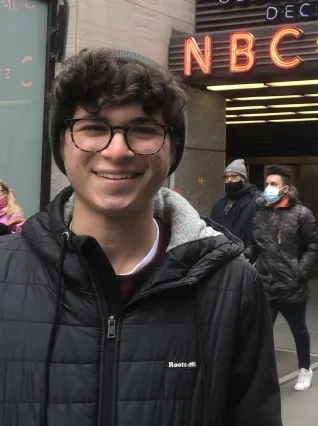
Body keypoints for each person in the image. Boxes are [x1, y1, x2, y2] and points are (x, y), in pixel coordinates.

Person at [0, 48, 281, 426]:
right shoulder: (4, 272)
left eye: (144, 130)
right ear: (62, 145)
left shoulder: (233, 286)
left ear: (172, 150)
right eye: (93, 128)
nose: (117, 151)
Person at [244, 165, 318, 391]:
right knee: (262, 333)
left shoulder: (301, 214)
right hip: (265, 284)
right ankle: (261, 374)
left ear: (285, 188)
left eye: (273, 184)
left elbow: (315, 245)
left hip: (291, 285)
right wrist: (245, 255)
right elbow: (256, 245)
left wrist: (300, 270)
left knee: (299, 330)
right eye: (267, 184)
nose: (267, 188)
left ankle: (305, 369)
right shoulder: (260, 214)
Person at [210, 159, 262, 247]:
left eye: (234, 176)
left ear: (243, 179)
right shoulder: (219, 204)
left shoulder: (258, 200)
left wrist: (249, 253)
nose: (229, 180)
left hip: (247, 256)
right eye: (226, 177)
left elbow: (263, 233)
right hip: (223, 254)